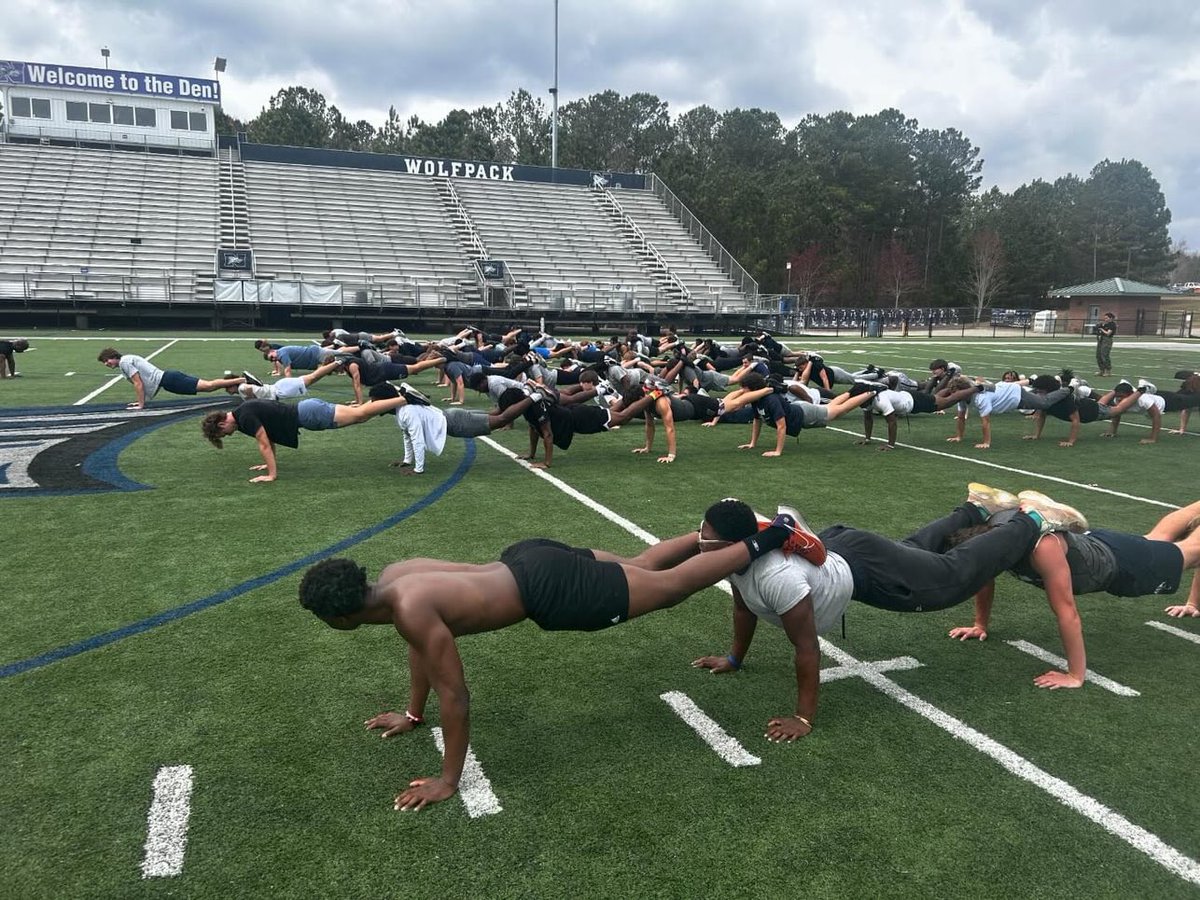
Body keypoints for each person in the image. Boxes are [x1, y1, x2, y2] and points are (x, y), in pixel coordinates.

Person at [297, 507, 814, 810]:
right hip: (527, 556)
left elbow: (454, 694)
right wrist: (412, 714)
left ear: (341, 618)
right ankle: (729, 533)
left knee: (670, 587)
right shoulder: (397, 577)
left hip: (550, 592)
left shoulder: (409, 610)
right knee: (637, 568)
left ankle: (771, 534)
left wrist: (448, 780)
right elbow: (419, 651)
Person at [690, 487, 1086, 741]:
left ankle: (1032, 517)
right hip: (848, 548)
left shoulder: (777, 576)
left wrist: (803, 718)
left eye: (706, 537)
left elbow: (807, 649)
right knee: (915, 554)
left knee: (949, 578)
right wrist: (734, 658)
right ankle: (976, 507)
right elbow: (744, 606)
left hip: (866, 572)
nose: (699, 541)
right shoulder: (740, 556)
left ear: (734, 544)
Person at [948, 491, 1200, 687]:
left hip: (1123, 568)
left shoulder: (1042, 549)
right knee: (1156, 538)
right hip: (1100, 544)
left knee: (1190, 551)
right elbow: (984, 577)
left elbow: (1067, 612)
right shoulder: (996, 531)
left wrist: (1075, 675)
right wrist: (980, 625)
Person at [201, 393, 410, 482]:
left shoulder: (244, 416)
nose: (227, 435)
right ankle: (396, 401)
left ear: (221, 424)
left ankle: (404, 398)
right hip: (308, 410)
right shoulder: (242, 414)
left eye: (222, 434)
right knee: (361, 417)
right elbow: (269, 440)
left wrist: (271, 475)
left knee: (360, 414)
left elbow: (264, 444)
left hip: (309, 414)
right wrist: (266, 465)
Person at [365, 382, 538, 474]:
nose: (374, 406)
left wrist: (418, 469)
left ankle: (534, 397)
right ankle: (529, 395)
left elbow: (417, 439)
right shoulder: (401, 410)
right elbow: (407, 436)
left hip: (456, 423)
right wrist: (407, 460)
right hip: (452, 416)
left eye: (376, 401)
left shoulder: (406, 412)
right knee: (497, 415)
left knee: (501, 419)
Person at [97, 348, 246, 408]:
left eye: (106, 360)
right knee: (209, 387)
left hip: (169, 380)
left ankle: (240, 380)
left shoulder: (124, 362)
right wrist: (139, 401)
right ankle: (238, 383)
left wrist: (141, 405)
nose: (106, 364)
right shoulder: (126, 361)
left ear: (113, 357)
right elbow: (140, 383)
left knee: (208, 386)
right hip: (169, 379)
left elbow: (138, 384)